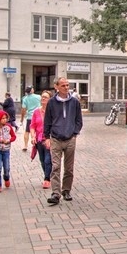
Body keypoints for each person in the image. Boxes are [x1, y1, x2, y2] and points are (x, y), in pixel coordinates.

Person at [44, 77, 83, 205]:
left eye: (67, 85)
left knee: (69, 168)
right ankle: (56, 193)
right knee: (55, 166)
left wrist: (74, 133)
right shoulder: (51, 103)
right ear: (56, 87)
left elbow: (79, 120)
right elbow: (47, 121)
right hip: (55, 138)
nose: (66, 87)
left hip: (70, 138)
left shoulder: (74, 102)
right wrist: (46, 137)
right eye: (63, 85)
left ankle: (66, 190)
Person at [30, 90, 53, 189]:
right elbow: (32, 126)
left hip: (49, 139)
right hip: (39, 140)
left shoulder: (52, 112)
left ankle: (47, 179)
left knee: (48, 160)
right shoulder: (36, 111)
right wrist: (33, 136)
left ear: (50, 99)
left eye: (45, 97)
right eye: (42, 97)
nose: (43, 98)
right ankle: (48, 176)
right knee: (42, 160)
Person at [0, 110, 17, 192]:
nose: (4, 120)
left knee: (7, 167)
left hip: (6, 150)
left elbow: (14, 136)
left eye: (6, 118)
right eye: (2, 118)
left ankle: (6, 177)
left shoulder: (8, 127)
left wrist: (9, 140)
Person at [20, 86, 41, 152]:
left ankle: (25, 145)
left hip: (30, 117)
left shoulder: (25, 98)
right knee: (38, 131)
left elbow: (23, 109)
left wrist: (22, 118)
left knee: (27, 131)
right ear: (32, 90)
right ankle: (38, 144)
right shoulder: (38, 97)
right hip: (38, 115)